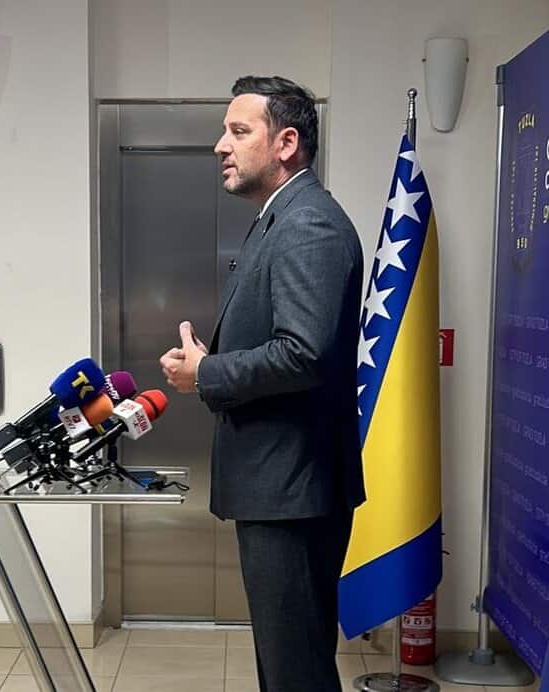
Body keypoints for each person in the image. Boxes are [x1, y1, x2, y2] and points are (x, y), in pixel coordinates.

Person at [159, 76, 366, 691]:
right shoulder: (278, 219)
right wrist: (209, 364)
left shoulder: (309, 225)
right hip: (278, 488)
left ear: (286, 143)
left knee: (296, 673)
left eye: (238, 131)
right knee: (287, 668)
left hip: (293, 492)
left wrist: (206, 373)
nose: (220, 145)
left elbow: (303, 354)